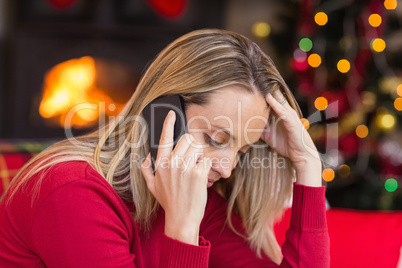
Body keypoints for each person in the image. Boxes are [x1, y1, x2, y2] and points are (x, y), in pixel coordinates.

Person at [0, 29, 329, 267]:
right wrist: (182, 230)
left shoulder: (201, 199)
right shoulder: (74, 193)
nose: (227, 168)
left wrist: (307, 165)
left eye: (242, 151)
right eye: (216, 139)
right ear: (162, 116)